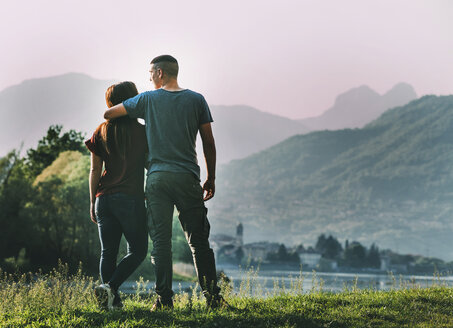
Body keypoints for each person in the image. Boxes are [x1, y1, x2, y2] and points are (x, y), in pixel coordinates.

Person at [104, 55, 225, 310]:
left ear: (160, 73)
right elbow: (209, 143)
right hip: (187, 178)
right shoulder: (197, 99)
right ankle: (213, 299)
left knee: (161, 243)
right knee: (199, 241)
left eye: (150, 73)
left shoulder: (147, 99)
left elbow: (109, 113)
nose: (148, 78)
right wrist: (211, 177)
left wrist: (136, 125)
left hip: (157, 179)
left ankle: (164, 300)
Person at [86, 81, 148, 310]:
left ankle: (112, 304)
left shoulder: (101, 130)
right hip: (129, 199)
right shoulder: (142, 131)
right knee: (139, 250)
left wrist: (92, 201)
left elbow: (94, 170)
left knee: (107, 253)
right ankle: (110, 289)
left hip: (104, 198)